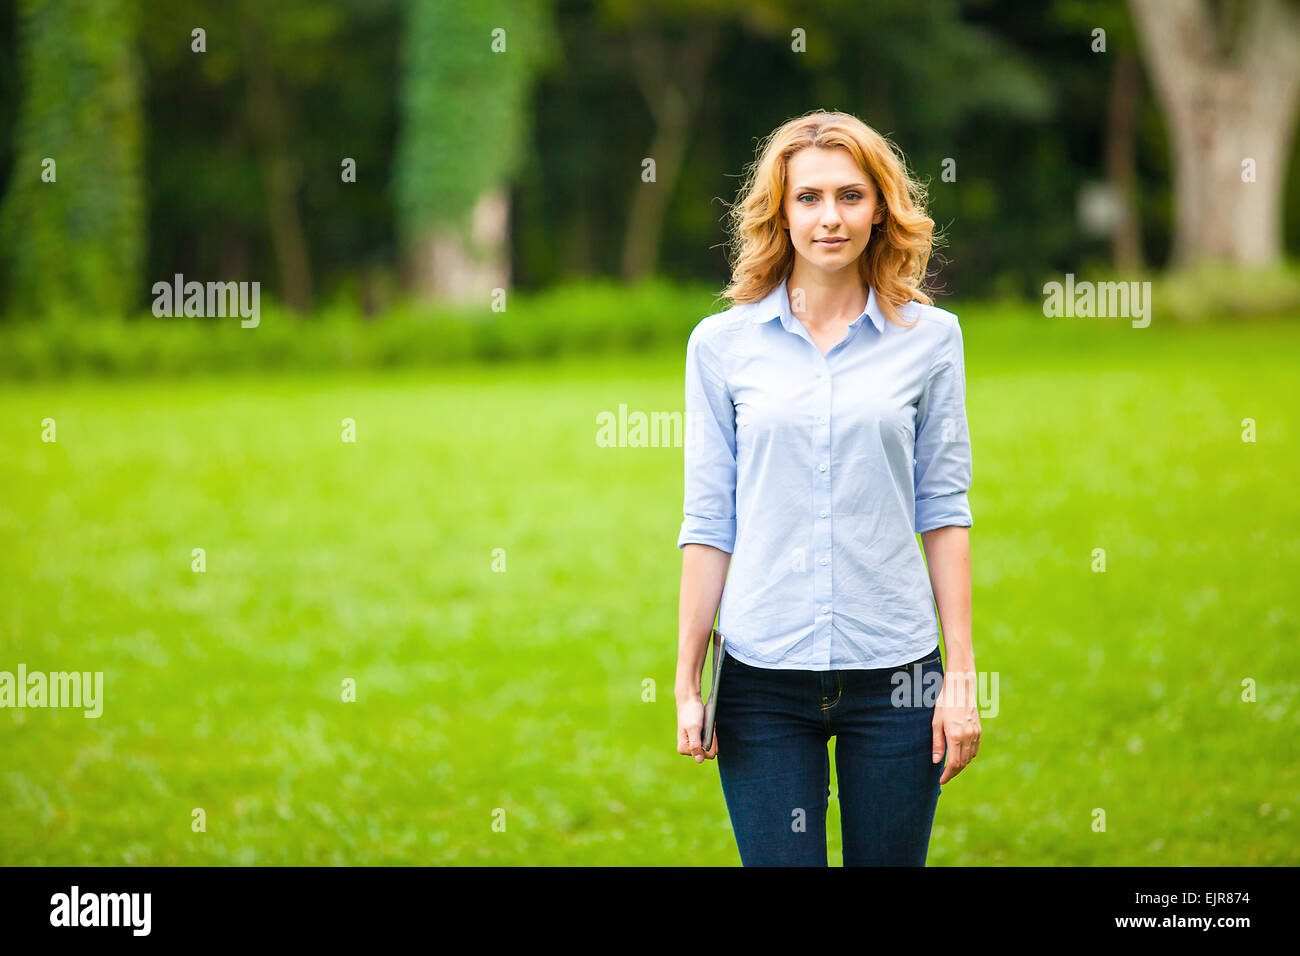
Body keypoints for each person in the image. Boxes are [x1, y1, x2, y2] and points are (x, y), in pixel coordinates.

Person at [674, 109, 981, 866]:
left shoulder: (932, 339)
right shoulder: (722, 346)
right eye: (808, 197)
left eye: (851, 195)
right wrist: (686, 678)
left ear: (881, 207)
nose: (830, 218)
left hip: (897, 677)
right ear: (780, 209)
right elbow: (711, 518)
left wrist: (962, 678)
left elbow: (943, 510)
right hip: (763, 679)